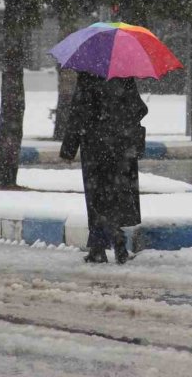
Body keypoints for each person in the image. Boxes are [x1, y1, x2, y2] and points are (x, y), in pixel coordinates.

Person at [59, 72, 148, 264]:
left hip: (94, 147)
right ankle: (118, 242)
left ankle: (98, 247)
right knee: (116, 194)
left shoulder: (87, 77)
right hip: (121, 146)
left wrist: (68, 149)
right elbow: (139, 109)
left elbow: (77, 114)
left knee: (97, 197)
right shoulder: (124, 76)